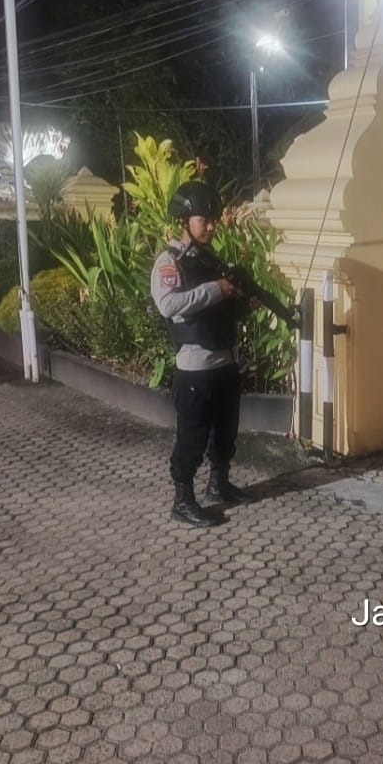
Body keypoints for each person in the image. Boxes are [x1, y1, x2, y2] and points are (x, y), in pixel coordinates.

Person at [151, 181, 252, 527]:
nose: (210, 226)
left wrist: (240, 300)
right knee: (192, 437)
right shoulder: (170, 261)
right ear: (185, 221)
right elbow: (168, 304)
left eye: (213, 220)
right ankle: (182, 501)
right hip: (194, 367)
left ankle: (218, 485)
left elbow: (224, 308)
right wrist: (217, 289)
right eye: (203, 220)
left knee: (225, 431)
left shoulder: (212, 261)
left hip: (225, 362)